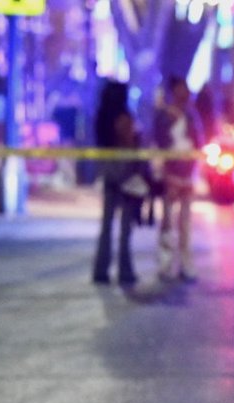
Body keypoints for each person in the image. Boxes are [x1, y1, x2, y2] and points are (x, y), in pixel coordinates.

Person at [92, 80, 146, 287]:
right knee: (125, 229)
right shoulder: (123, 118)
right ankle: (125, 271)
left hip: (108, 175)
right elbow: (132, 143)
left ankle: (101, 270)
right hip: (126, 176)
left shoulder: (101, 118)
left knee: (106, 227)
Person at [154, 75, 204, 282]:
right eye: (180, 89)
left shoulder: (192, 115)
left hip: (188, 172)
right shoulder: (164, 115)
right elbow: (159, 142)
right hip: (171, 171)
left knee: (185, 222)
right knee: (167, 220)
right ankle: (166, 264)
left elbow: (199, 141)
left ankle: (185, 263)